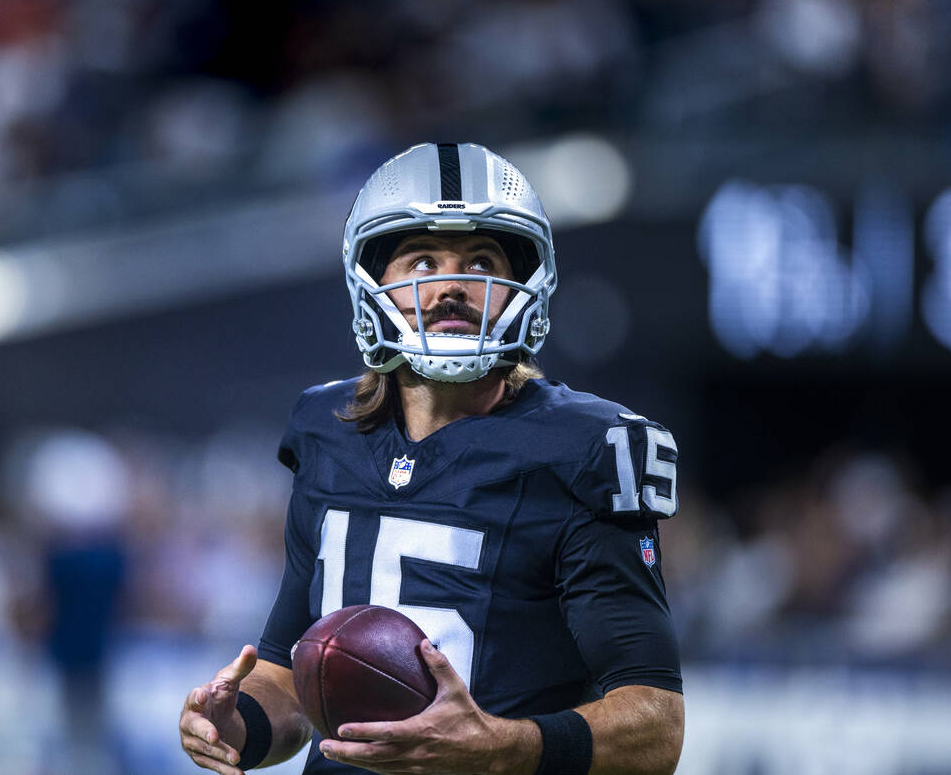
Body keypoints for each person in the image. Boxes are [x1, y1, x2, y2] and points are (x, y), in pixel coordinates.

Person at [179, 143, 685, 774]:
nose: (450, 286)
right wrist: (238, 724)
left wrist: (502, 747)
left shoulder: (583, 447)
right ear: (372, 281)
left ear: (526, 284)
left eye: (481, 262)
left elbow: (656, 724)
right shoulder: (325, 430)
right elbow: (288, 680)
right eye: (422, 261)